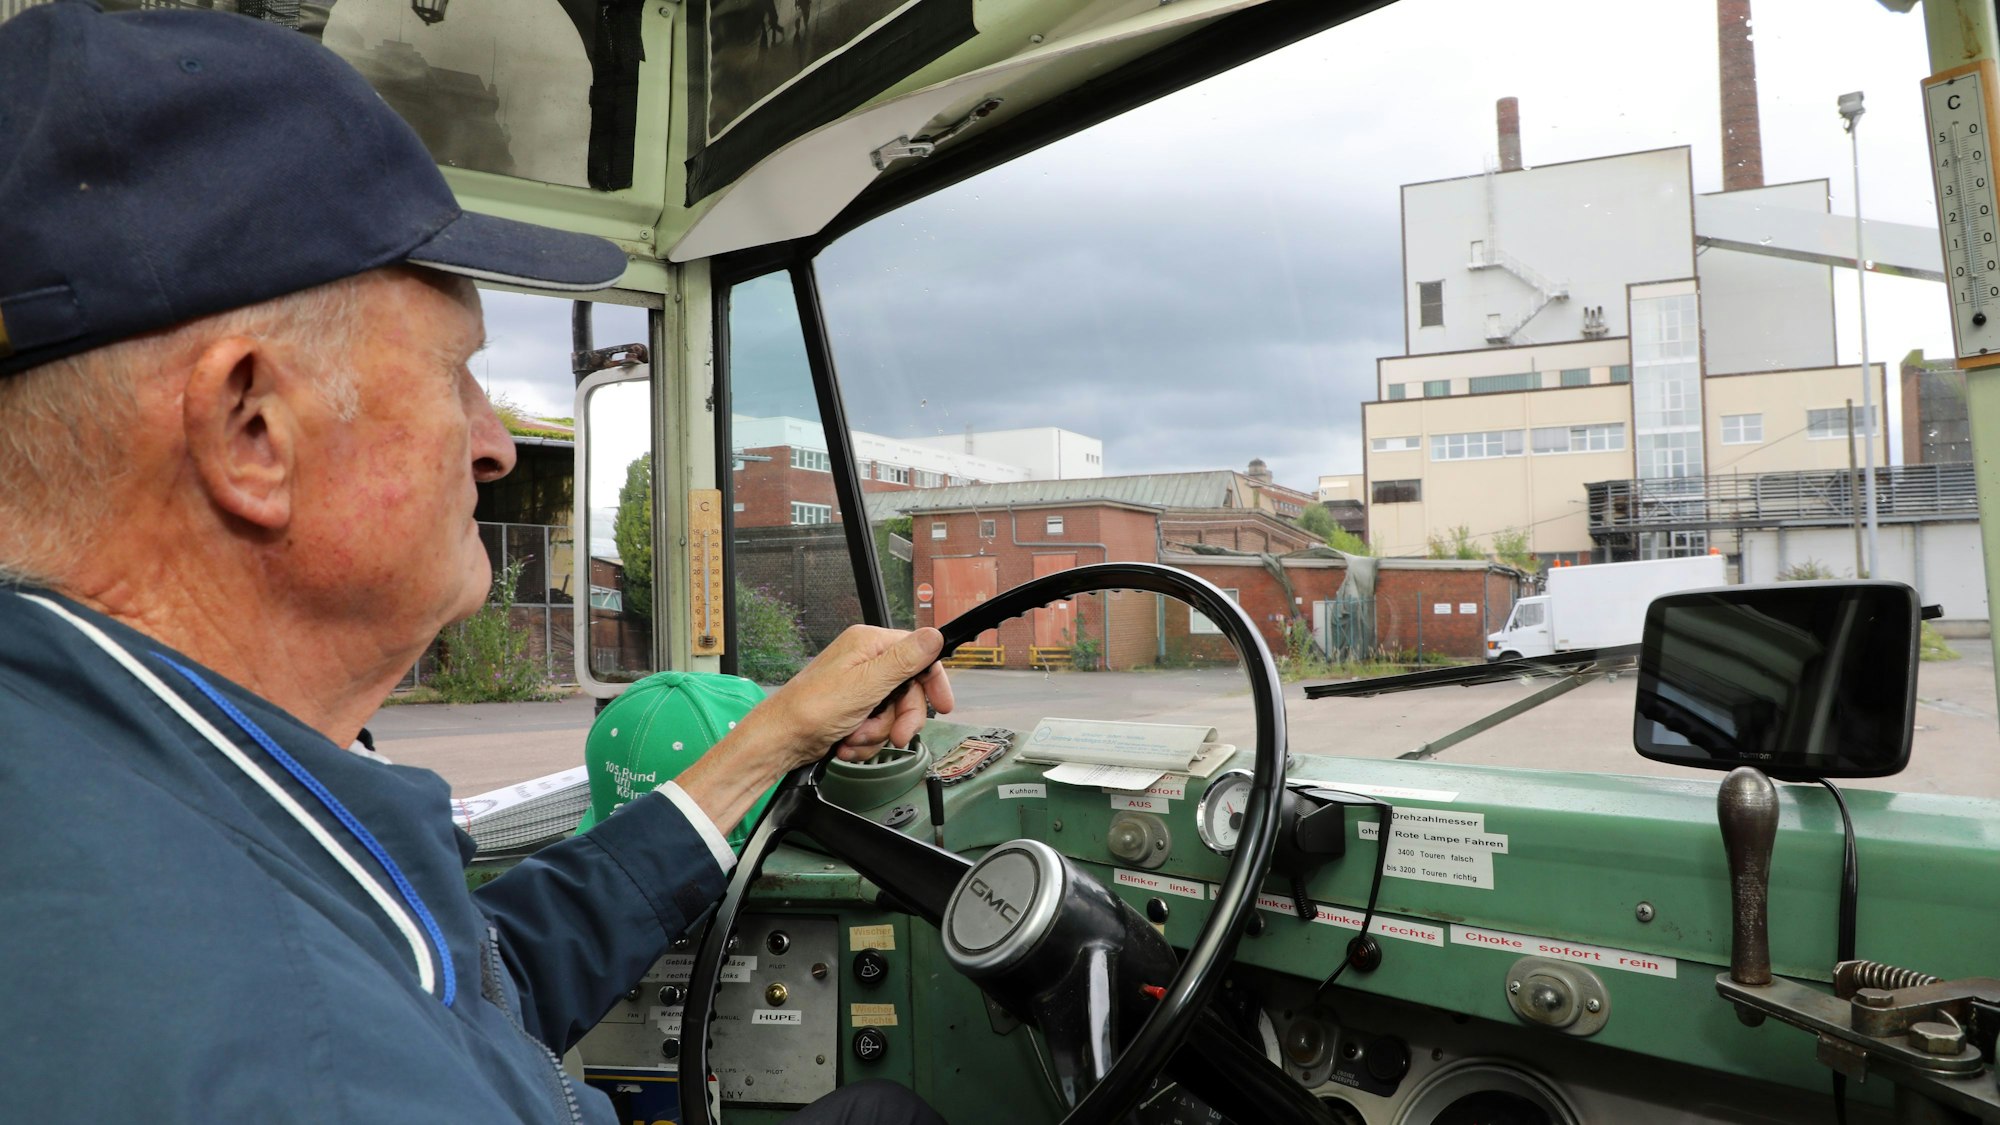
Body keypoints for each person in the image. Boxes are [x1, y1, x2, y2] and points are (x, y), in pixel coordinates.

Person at [0, 3, 953, 1121]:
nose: (494, 443)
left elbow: (469, 980)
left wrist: (771, 740)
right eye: (455, 374)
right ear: (251, 429)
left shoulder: (122, 777)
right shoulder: (305, 1068)